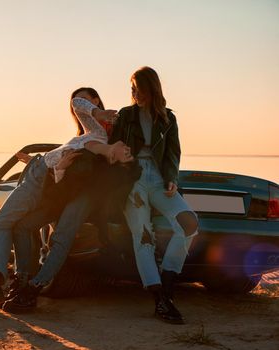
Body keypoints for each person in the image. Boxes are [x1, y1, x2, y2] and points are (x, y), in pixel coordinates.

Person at [0, 88, 133, 309]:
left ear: (96, 101)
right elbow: (78, 156)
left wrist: (103, 127)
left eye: (89, 100)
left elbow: (81, 112)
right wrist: (58, 166)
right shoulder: (86, 134)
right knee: (21, 226)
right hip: (50, 182)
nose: (82, 106)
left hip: (42, 178)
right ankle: (21, 281)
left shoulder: (96, 132)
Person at [109, 66, 199, 324]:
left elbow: (173, 153)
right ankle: (159, 298)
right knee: (143, 235)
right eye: (132, 88)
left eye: (138, 87)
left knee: (189, 223)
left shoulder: (168, 118)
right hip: (131, 179)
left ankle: (168, 282)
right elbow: (113, 149)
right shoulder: (125, 115)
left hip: (159, 179)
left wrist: (172, 178)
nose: (134, 92)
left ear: (151, 88)